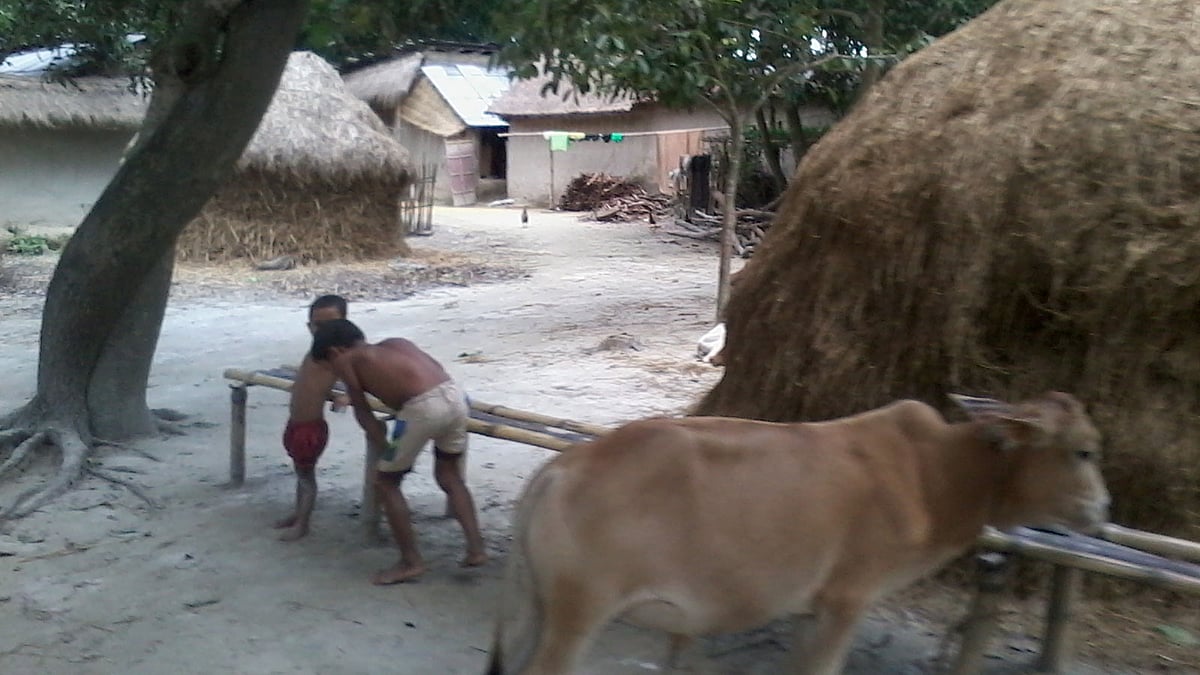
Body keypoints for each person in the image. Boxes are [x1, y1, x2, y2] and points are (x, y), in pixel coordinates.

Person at [310, 319, 487, 584]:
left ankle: (410, 561)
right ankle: (476, 548)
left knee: (385, 482)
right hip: (456, 397)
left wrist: (382, 445)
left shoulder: (348, 360)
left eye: (330, 366)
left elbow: (361, 409)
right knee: (450, 476)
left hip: (422, 408)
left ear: (335, 352)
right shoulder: (397, 344)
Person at [274, 294, 350, 542]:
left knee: (307, 478)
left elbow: (358, 378)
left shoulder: (337, 355)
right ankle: (298, 514)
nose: (324, 331)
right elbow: (316, 381)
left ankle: (303, 524)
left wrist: (346, 397)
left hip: (310, 429)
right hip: (295, 424)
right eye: (318, 325)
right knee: (301, 473)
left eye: (331, 325)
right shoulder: (315, 351)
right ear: (309, 327)